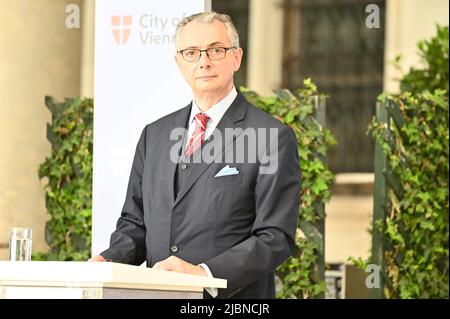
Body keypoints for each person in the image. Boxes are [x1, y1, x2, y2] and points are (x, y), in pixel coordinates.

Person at [90, 11, 301, 299]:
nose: (204, 61)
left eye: (215, 50)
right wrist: (107, 261)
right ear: (179, 63)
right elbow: (135, 224)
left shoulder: (271, 136)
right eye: (191, 52)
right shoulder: (154, 135)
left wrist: (205, 273)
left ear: (236, 58)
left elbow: (275, 237)